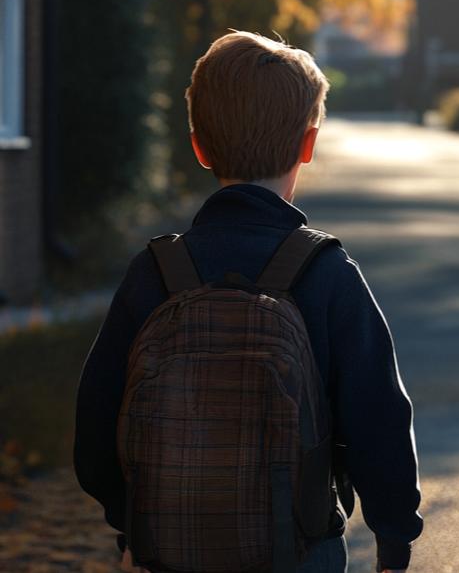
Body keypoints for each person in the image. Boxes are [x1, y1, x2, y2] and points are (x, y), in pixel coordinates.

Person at [74, 31, 423, 573]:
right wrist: (394, 539)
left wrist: (131, 524)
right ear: (308, 145)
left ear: (199, 147)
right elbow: (379, 418)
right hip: (301, 549)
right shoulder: (326, 273)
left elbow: (96, 419)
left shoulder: (156, 273)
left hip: (166, 549)